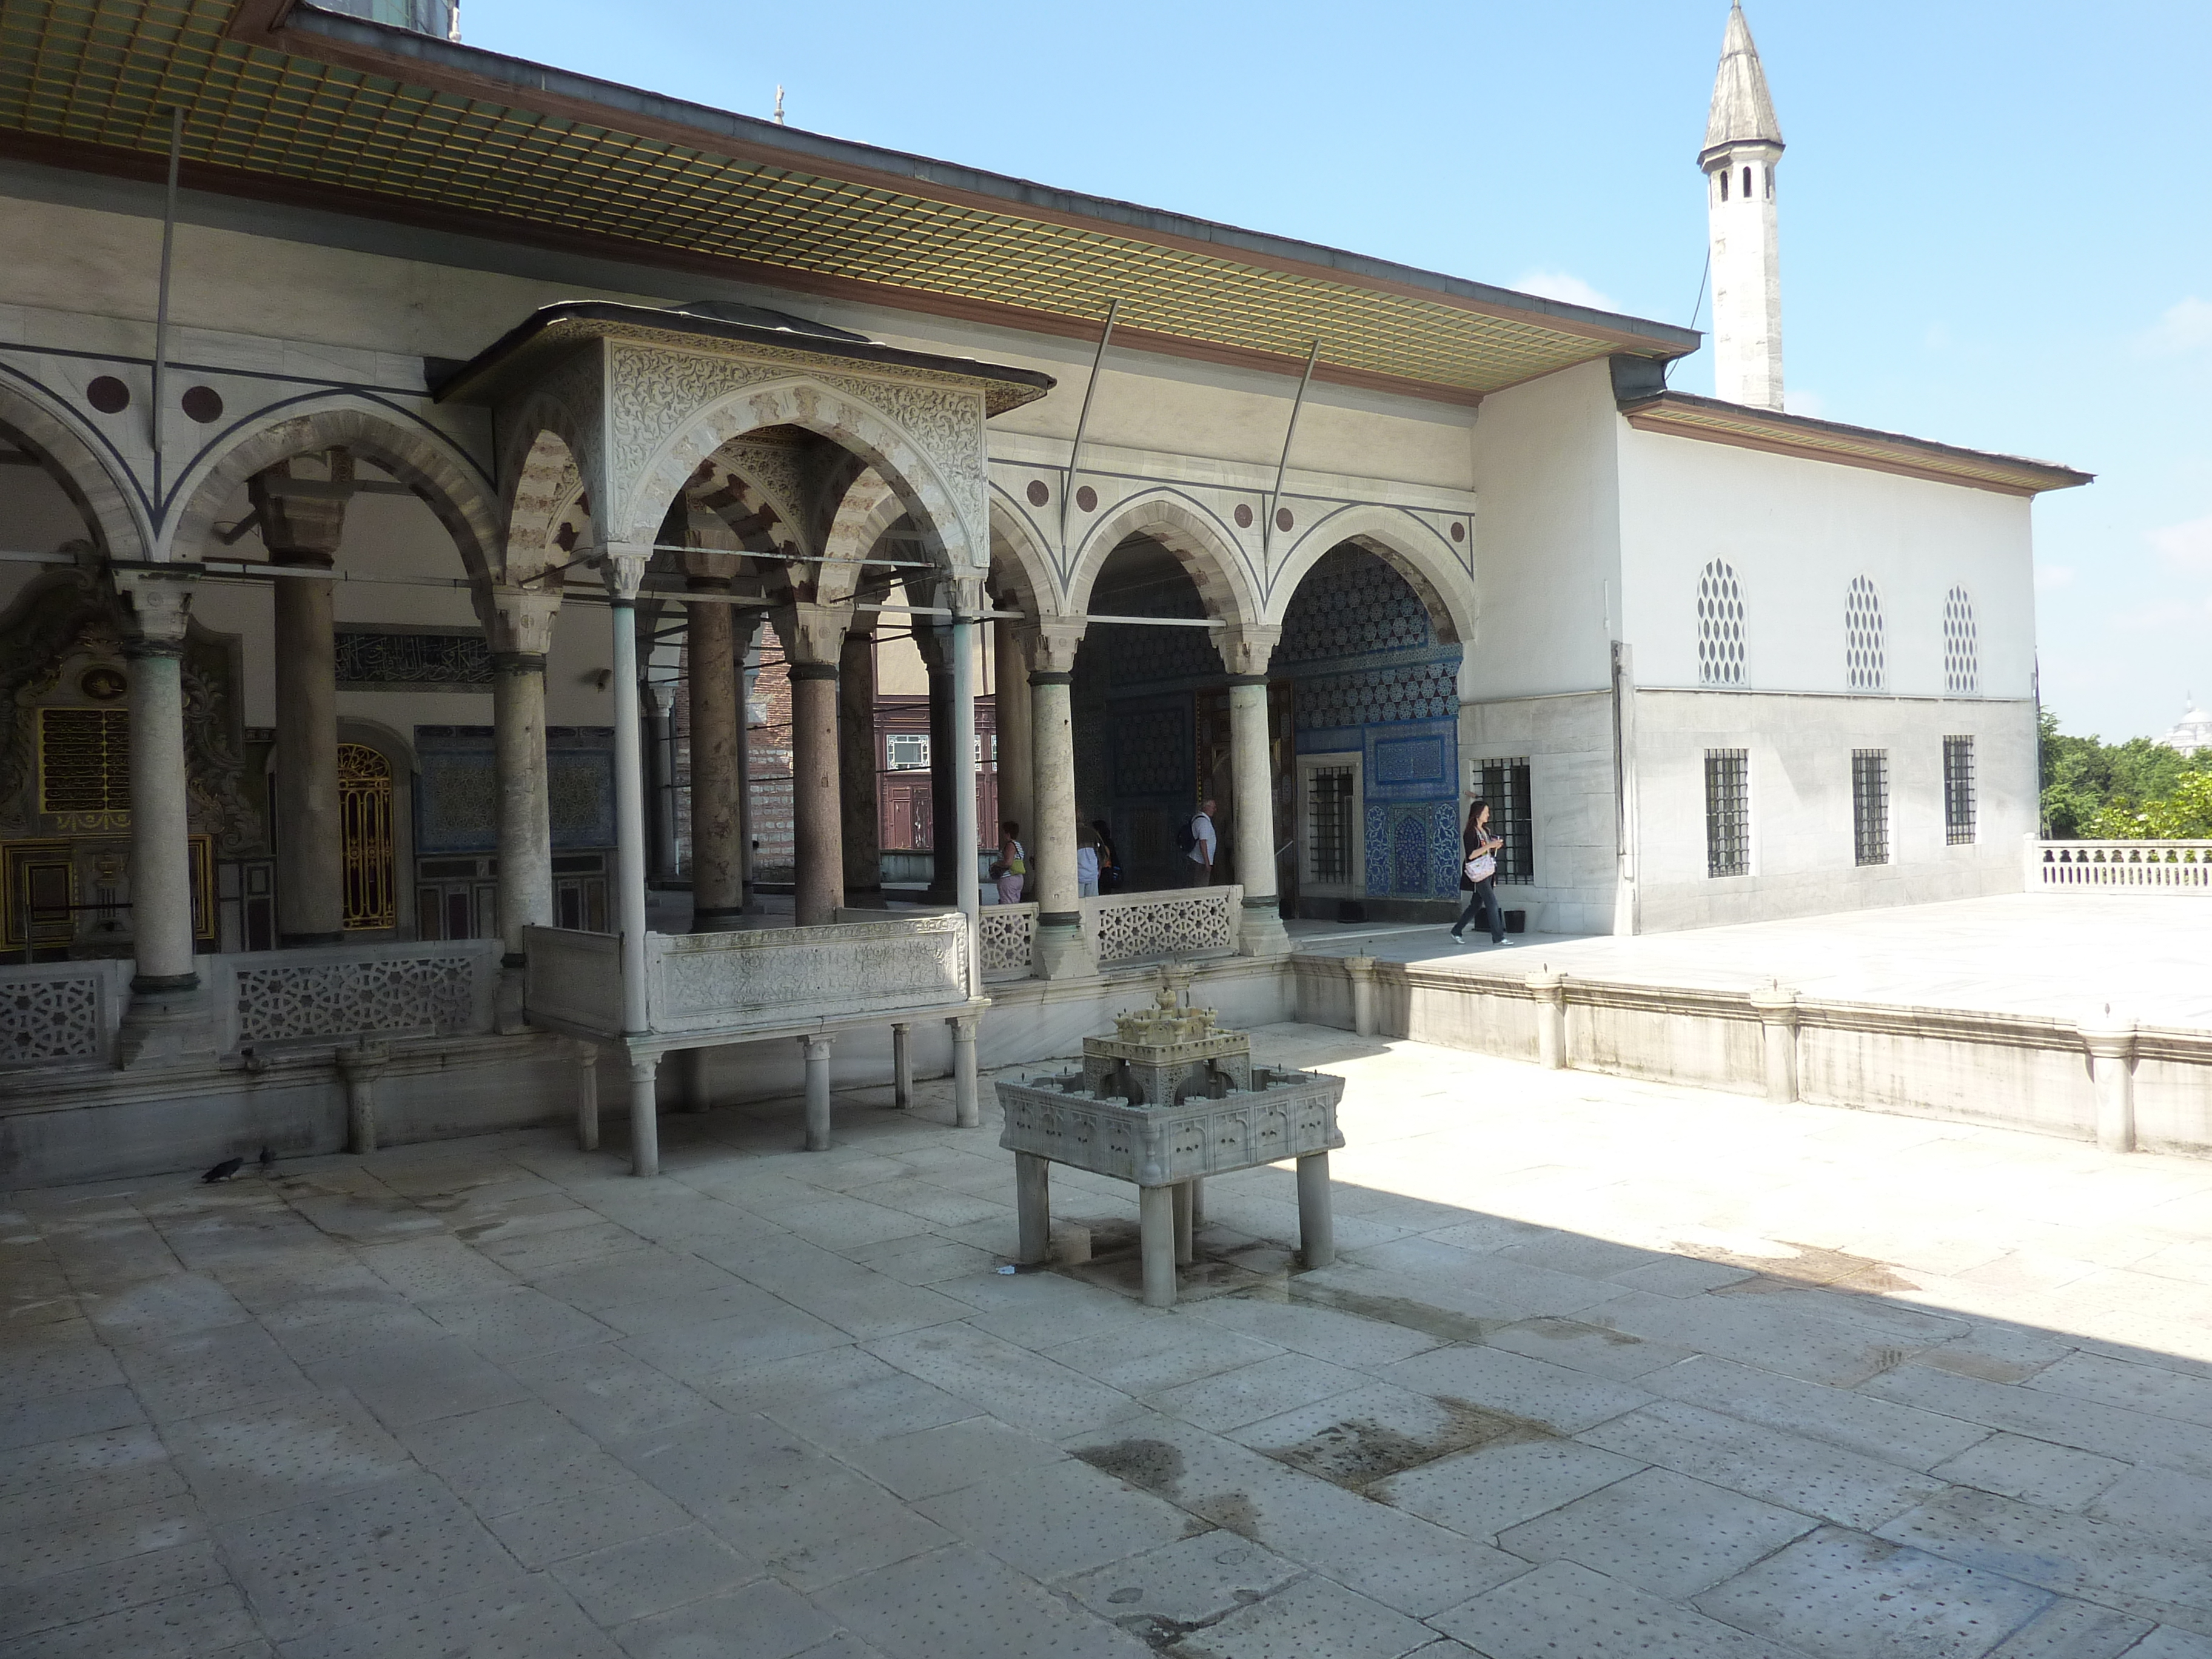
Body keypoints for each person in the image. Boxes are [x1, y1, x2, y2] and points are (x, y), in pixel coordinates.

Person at [1451, 799, 1511, 946]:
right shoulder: (1470, 833)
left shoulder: (1486, 831)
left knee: (1476, 904)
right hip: (1478, 873)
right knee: (1492, 903)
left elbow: (1486, 849)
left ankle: (1456, 930)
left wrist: (1495, 845)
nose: (1488, 816)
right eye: (1486, 813)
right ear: (1478, 814)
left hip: (1487, 870)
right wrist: (1489, 845)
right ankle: (1498, 937)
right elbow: (1471, 855)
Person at [1185, 797, 1218, 885]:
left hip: (1198, 860)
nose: (1215, 810)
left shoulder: (1199, 819)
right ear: (1206, 807)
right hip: (1200, 861)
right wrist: (1207, 863)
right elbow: (1203, 843)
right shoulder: (1203, 822)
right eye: (1213, 807)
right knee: (1201, 886)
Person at [993, 820, 1025, 906]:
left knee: (1007, 905)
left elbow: (1008, 862)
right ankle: (1016, 919)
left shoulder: (1010, 845)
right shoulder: (1018, 845)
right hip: (1018, 878)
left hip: (1008, 878)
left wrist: (996, 864)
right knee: (1015, 903)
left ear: (1007, 834)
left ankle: (1011, 920)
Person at [1090, 819, 1122, 893]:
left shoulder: (1101, 842)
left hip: (1103, 870)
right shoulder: (1109, 841)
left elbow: (1105, 855)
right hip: (1108, 870)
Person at [1075, 824, 1101, 898]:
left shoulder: (1070, 833)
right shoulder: (1093, 833)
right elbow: (1102, 853)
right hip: (1092, 875)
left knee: (1078, 906)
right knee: (1092, 906)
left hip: (1077, 877)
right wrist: (1099, 868)